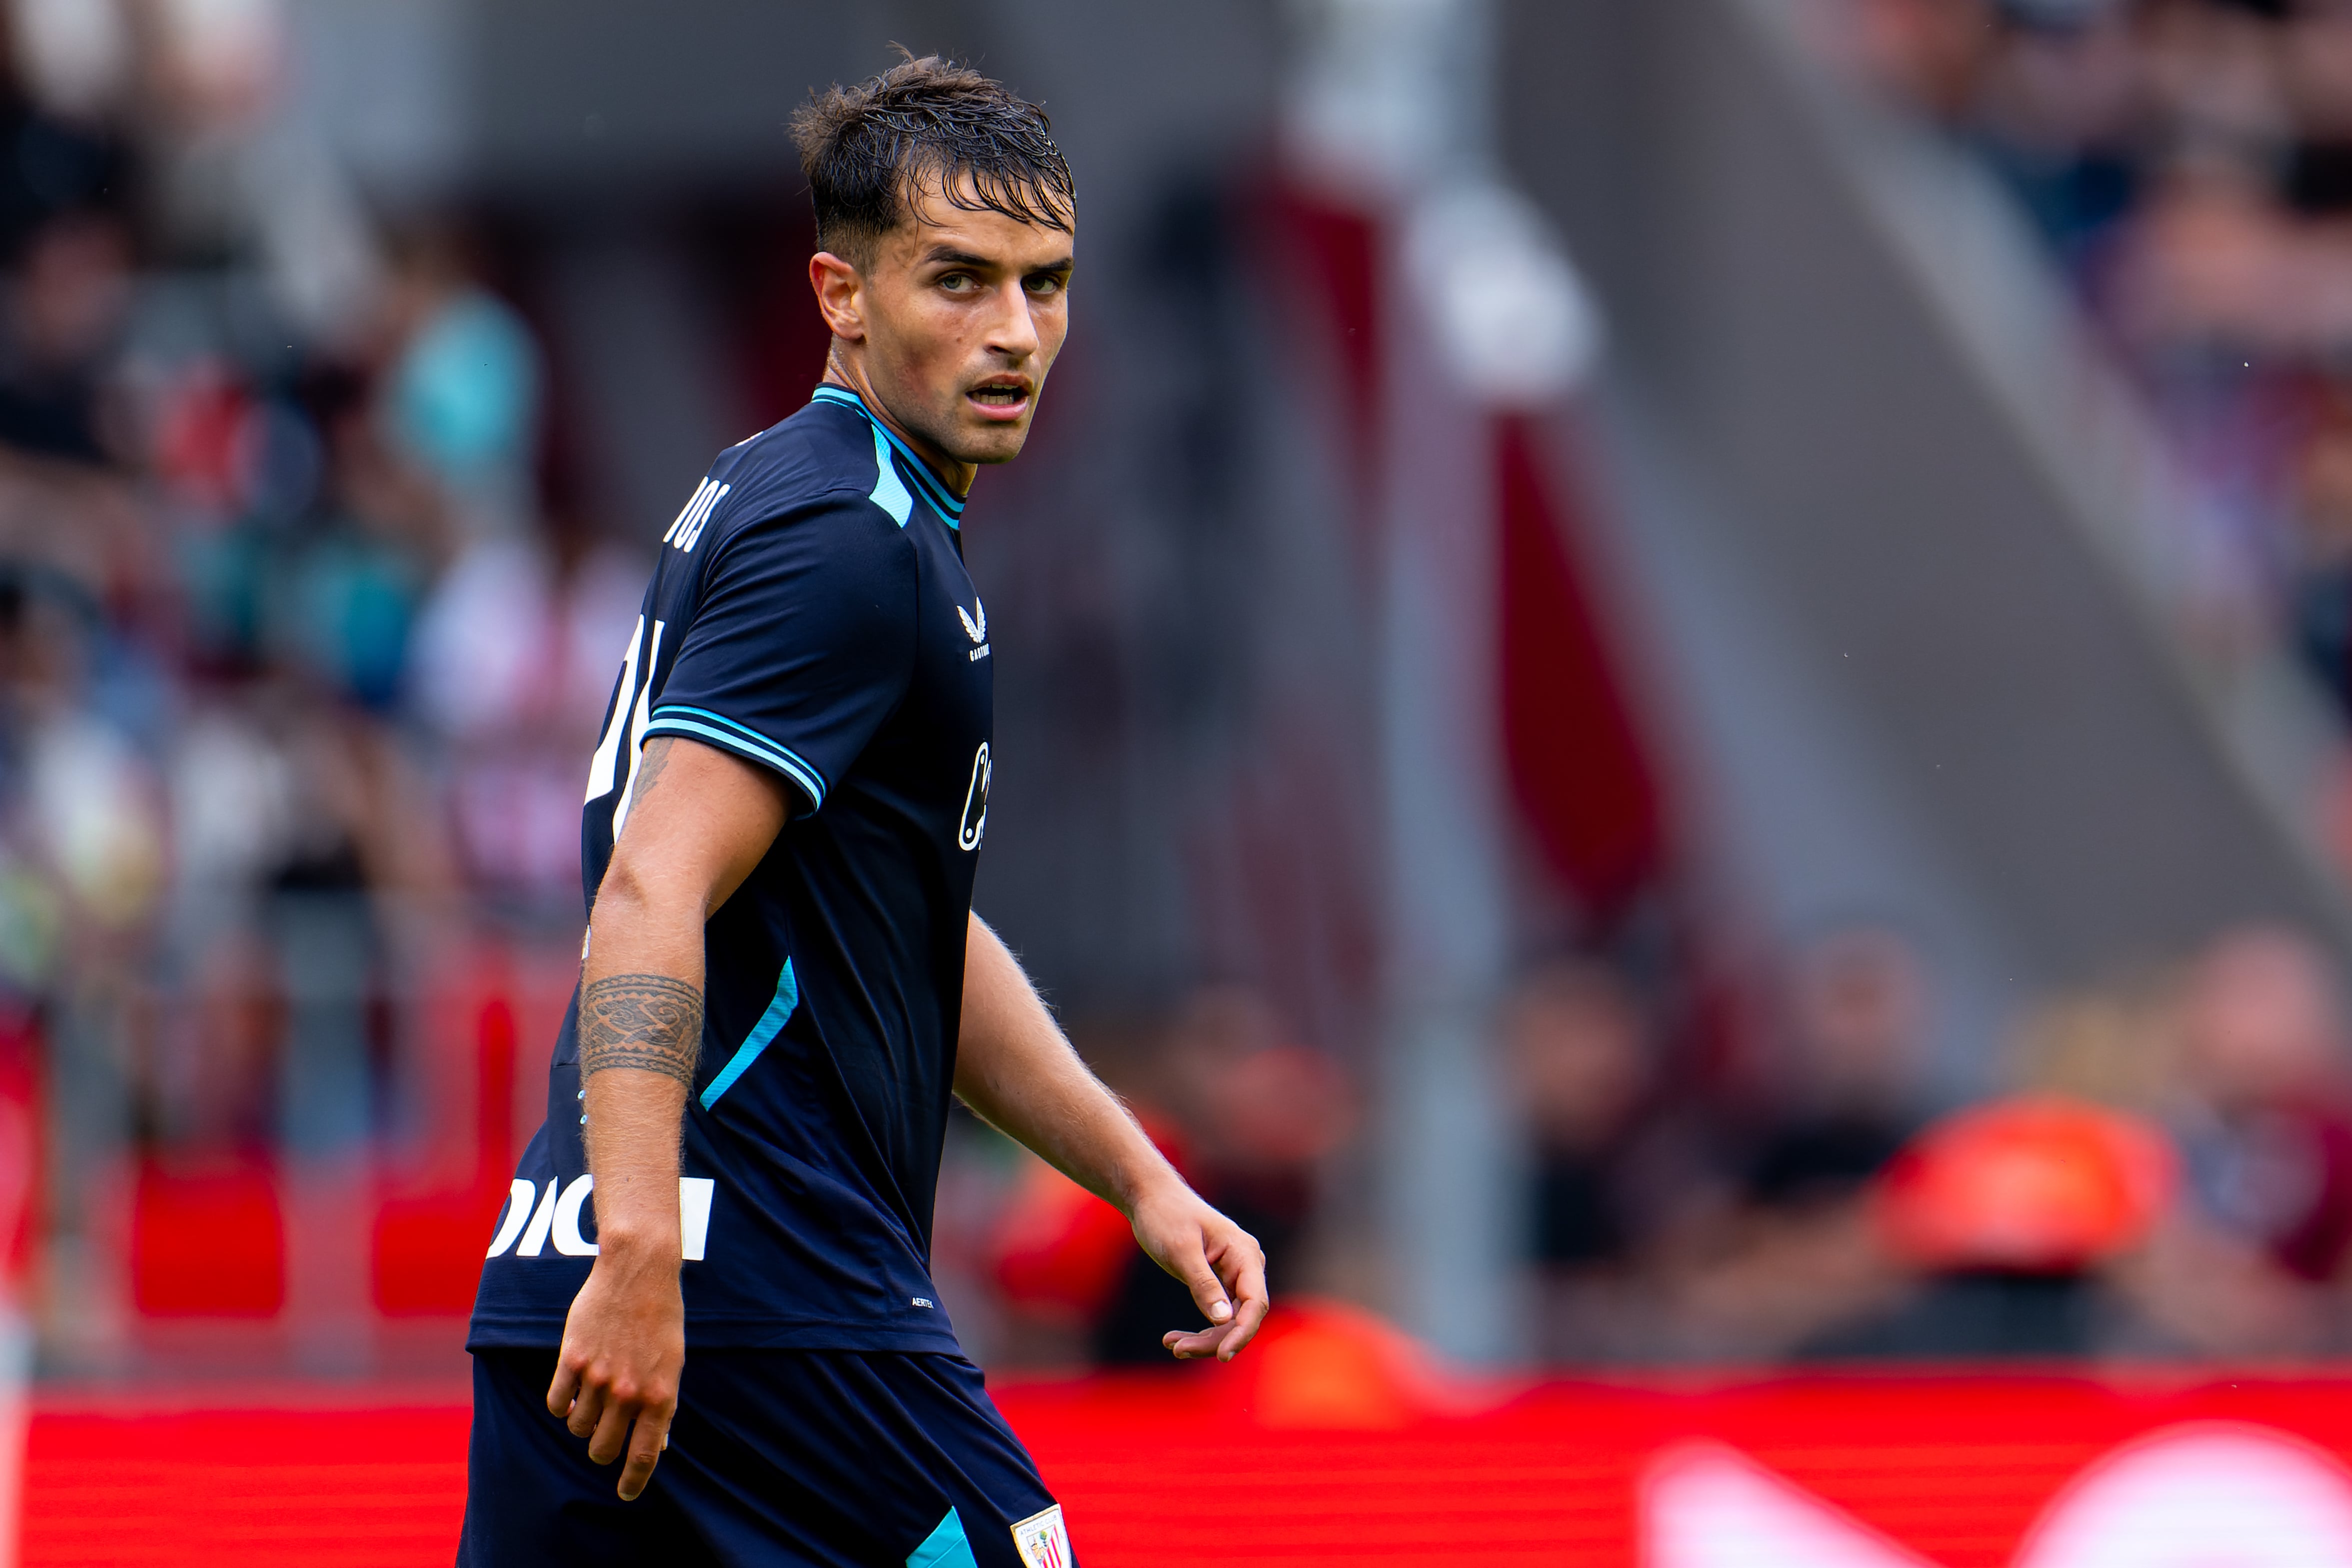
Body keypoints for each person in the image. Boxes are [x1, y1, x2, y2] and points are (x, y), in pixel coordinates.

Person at [459, 56, 1267, 1568]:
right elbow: (649, 886)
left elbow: (910, 938)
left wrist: (1140, 1178)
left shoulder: (786, 489)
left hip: (584, 1275)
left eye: (1046, 284)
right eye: (958, 281)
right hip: (752, 1289)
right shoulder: (853, 542)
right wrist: (646, 1247)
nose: (1015, 332)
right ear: (839, 290)